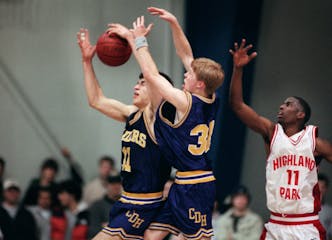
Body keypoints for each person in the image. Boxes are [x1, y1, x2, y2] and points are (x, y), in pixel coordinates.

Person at [108, 7, 225, 240]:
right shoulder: (210, 96)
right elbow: (186, 55)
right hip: (182, 182)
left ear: (199, 84)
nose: (185, 75)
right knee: (151, 235)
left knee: (199, 238)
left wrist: (138, 40)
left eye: (189, 76)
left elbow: (151, 76)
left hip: (197, 184)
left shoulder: (184, 101)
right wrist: (174, 23)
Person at [229, 39, 332, 240]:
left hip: (304, 224)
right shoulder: (271, 132)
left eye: (288, 104)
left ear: (301, 114)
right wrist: (238, 69)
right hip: (276, 223)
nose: (281, 107)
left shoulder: (315, 142)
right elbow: (237, 105)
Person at [76, 26, 172, 240]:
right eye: (136, 83)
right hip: (127, 200)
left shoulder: (159, 118)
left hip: (145, 204)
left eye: (143, 84)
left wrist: (134, 40)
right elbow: (96, 100)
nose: (136, 87)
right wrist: (86, 61)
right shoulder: (132, 114)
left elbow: (152, 75)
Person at [318, 173, 332, 240]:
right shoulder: (302, 209)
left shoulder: (330, 211)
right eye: (317, 187)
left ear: (326, 189)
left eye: (322, 187)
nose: (320, 190)